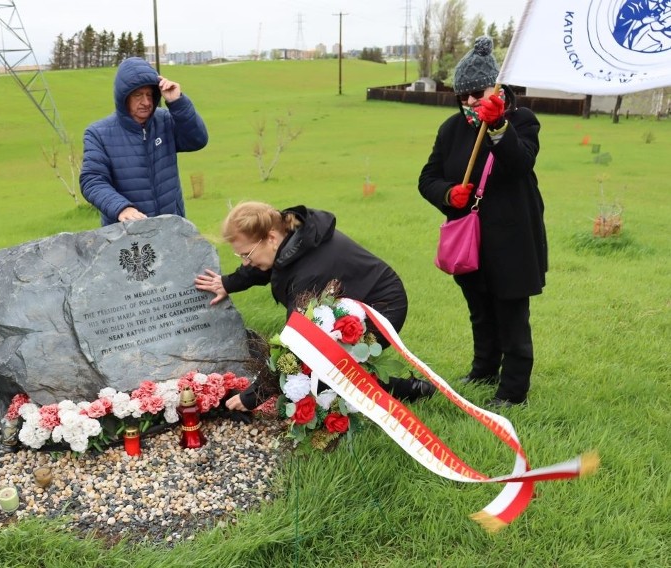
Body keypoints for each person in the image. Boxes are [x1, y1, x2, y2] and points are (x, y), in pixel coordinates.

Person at [195, 201, 435, 411]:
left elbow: (297, 345)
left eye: (247, 254)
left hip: (381, 307)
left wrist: (251, 396)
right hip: (358, 296)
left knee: (323, 374)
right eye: (241, 257)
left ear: (270, 237)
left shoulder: (309, 272)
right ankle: (412, 389)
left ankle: (409, 390)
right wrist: (227, 283)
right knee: (324, 371)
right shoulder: (291, 234)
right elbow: (270, 266)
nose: (246, 262)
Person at [418, 36, 547, 409]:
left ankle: (513, 391)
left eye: (477, 92)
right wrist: (447, 194)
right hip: (469, 239)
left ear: (497, 86)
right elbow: (427, 178)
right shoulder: (450, 129)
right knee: (480, 310)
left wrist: (498, 127)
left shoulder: (522, 121)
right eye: (463, 96)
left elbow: (521, 163)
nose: (471, 102)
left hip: (512, 240)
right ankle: (483, 370)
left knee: (512, 316)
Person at [80, 57, 209, 226]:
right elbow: (92, 180)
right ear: (123, 97)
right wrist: (121, 208)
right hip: (126, 232)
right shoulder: (98, 133)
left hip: (170, 228)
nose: (146, 102)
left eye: (150, 95)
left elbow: (197, 140)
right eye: (138, 95)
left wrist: (177, 102)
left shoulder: (164, 120)